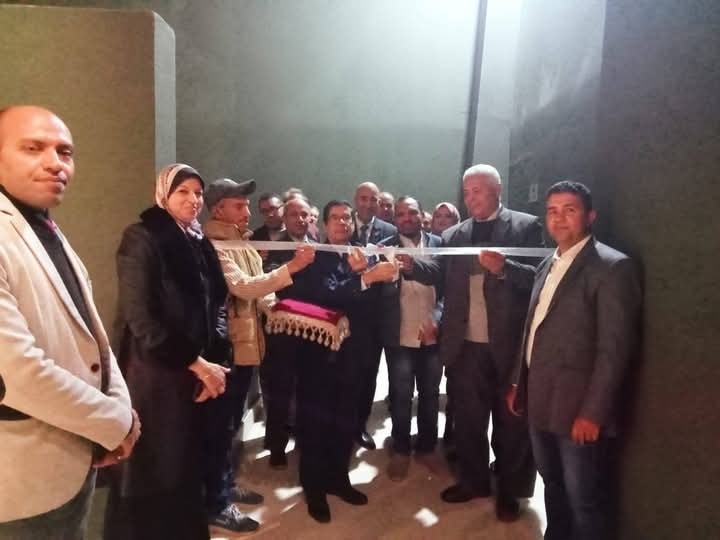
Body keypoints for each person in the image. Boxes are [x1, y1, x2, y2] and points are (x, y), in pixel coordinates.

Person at [0, 105, 138, 539]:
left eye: (65, 152)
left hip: (72, 456)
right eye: (33, 148)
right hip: (22, 479)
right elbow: (17, 374)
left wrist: (119, 408)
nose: (55, 163)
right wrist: (116, 423)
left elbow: (92, 336)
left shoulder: (43, 226)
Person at [105, 164, 235, 539]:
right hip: (154, 375)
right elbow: (141, 318)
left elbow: (218, 305)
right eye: (183, 192)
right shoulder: (142, 237)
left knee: (186, 469)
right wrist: (197, 363)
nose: (193, 200)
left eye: (198, 193)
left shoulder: (198, 242)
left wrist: (214, 363)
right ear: (163, 194)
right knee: (154, 470)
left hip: (194, 373)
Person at [507, 181, 641, 540]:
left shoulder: (612, 268)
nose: (559, 218)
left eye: (570, 210)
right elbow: (533, 328)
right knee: (552, 485)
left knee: (584, 499)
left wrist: (594, 412)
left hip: (578, 409)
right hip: (540, 401)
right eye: (552, 211)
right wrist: (519, 382)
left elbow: (614, 349)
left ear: (590, 216)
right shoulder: (548, 264)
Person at [409, 164, 542, 521]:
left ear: (497, 190)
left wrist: (504, 268)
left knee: (511, 424)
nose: (470, 198)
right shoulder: (454, 234)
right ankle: (474, 482)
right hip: (464, 345)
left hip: (509, 345)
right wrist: (409, 268)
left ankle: (510, 493)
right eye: (466, 192)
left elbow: (540, 279)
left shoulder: (526, 227)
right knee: (468, 421)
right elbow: (444, 285)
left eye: (477, 191)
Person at [280, 200, 396, 523]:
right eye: (335, 218)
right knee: (315, 424)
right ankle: (314, 489)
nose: (342, 223)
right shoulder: (312, 256)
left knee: (346, 421)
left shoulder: (362, 254)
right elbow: (325, 295)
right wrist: (366, 278)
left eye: (347, 218)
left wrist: (372, 276)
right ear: (323, 224)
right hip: (317, 356)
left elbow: (372, 304)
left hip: (353, 354)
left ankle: (338, 479)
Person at [379, 196, 444, 481]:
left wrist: (437, 320)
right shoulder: (385, 247)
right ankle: (401, 449)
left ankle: (428, 447)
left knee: (430, 394)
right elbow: (378, 293)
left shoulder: (440, 245)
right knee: (401, 395)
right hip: (400, 334)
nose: (407, 218)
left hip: (432, 332)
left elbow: (448, 288)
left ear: (421, 215)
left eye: (412, 212)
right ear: (395, 220)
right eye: (401, 214)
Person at [261, 196, 316, 468]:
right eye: (294, 214)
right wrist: (295, 264)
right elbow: (271, 279)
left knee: (309, 390)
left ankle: (304, 439)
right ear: (284, 218)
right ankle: (276, 445)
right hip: (282, 332)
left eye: (304, 214)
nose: (300, 219)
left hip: (312, 332)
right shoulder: (273, 246)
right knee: (280, 391)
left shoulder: (318, 244)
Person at [349, 181, 397, 449]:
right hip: (344, 310)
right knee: (342, 373)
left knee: (368, 373)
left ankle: (359, 426)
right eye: (363, 198)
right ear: (355, 200)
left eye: (373, 199)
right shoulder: (343, 225)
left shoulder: (390, 231)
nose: (368, 204)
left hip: (375, 316)